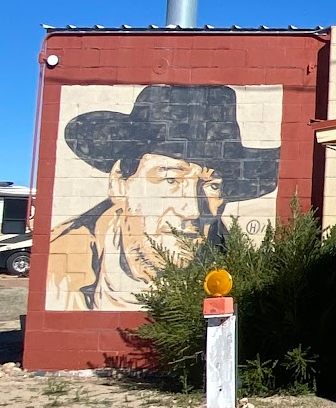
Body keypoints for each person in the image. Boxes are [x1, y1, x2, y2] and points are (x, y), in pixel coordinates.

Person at [47, 85, 279, 311]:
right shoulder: (59, 272)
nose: (193, 211)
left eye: (211, 185)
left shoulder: (238, 269)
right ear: (119, 183)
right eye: (171, 179)